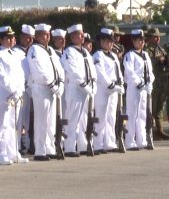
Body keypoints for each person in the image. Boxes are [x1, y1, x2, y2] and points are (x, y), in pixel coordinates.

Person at [27, 23, 65, 161]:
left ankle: (49, 148)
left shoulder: (51, 51)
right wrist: (52, 84)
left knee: (50, 122)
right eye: (44, 34)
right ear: (37, 36)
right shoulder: (34, 50)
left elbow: (60, 69)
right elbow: (39, 70)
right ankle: (40, 151)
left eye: (48, 34)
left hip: (52, 90)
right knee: (41, 120)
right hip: (41, 88)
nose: (47, 36)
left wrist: (60, 84)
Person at [61, 24, 97, 157]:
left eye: (83, 34)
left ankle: (83, 145)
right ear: (72, 37)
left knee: (84, 119)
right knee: (73, 118)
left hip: (87, 90)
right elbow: (73, 71)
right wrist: (84, 85)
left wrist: (93, 85)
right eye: (79, 34)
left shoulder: (85, 52)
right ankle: (69, 147)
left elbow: (92, 70)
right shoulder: (69, 52)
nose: (83, 36)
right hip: (75, 88)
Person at [93, 28, 124, 153]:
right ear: (101, 42)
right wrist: (111, 85)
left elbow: (118, 72)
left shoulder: (114, 56)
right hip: (102, 89)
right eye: (107, 41)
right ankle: (98, 144)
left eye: (111, 42)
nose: (110, 44)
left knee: (111, 116)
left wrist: (120, 83)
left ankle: (110, 142)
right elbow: (100, 73)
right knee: (101, 116)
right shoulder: (97, 55)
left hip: (114, 90)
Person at [0, 26, 28, 164]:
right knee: (2, 125)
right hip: (4, 95)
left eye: (12, 37)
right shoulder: (0, 55)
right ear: (1, 40)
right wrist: (13, 90)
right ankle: (1, 153)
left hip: (16, 95)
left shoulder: (15, 54)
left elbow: (21, 75)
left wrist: (19, 90)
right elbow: (2, 77)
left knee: (14, 124)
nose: (11, 40)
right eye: (8, 38)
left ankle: (13, 152)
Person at [123, 29, 155, 150]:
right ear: (133, 41)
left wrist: (150, 82)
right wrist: (139, 82)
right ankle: (130, 141)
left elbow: (150, 71)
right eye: (138, 40)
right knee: (132, 114)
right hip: (134, 87)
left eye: (143, 40)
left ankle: (141, 140)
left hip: (144, 88)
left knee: (142, 114)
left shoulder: (146, 55)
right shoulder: (129, 55)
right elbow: (129, 72)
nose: (141, 42)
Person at [12, 24, 35, 154]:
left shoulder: (33, 51)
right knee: (19, 117)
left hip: (33, 89)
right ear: (21, 37)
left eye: (31, 38)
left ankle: (30, 143)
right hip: (21, 89)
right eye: (27, 38)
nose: (29, 40)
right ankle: (19, 144)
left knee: (30, 118)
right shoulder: (15, 52)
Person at [145, 27, 169, 140]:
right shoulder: (146, 50)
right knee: (152, 107)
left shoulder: (160, 49)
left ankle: (159, 129)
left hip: (162, 81)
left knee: (160, 106)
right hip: (153, 82)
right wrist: (157, 60)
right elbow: (147, 64)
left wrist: (165, 59)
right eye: (155, 37)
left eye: (159, 37)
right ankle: (152, 131)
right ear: (150, 38)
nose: (158, 39)